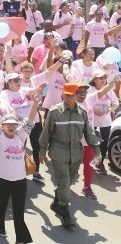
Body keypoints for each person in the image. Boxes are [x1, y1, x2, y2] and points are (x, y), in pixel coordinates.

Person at [39, 83, 102, 228]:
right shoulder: (55, 112)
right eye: (66, 94)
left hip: (76, 153)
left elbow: (89, 133)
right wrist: (42, 151)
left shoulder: (82, 112)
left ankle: (57, 200)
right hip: (58, 151)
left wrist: (97, 150)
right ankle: (65, 212)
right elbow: (46, 132)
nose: (67, 97)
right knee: (64, 180)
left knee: (70, 181)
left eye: (71, 95)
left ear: (77, 95)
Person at [0, 89, 41, 243]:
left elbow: (30, 120)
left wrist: (35, 104)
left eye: (13, 124)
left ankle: (21, 238)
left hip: (20, 180)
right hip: (2, 179)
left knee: (19, 211)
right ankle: (0, 226)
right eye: (7, 124)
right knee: (2, 204)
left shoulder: (21, 134)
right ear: (3, 126)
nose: (11, 126)